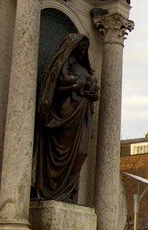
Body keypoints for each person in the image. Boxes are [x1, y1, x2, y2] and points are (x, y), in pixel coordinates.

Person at [33, 34, 99, 202]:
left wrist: (89, 89)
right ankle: (52, 190)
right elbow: (59, 81)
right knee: (61, 149)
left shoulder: (84, 68)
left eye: (85, 48)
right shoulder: (64, 63)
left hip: (82, 115)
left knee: (82, 151)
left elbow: (94, 92)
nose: (83, 50)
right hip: (65, 113)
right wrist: (78, 84)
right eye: (81, 47)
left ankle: (67, 189)